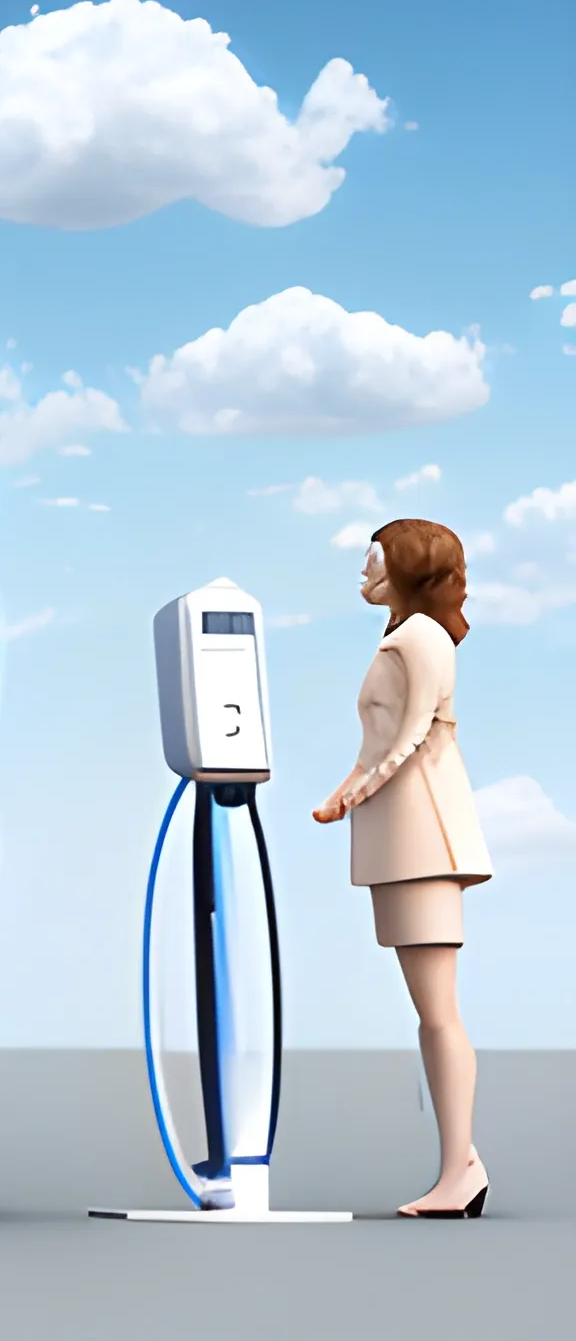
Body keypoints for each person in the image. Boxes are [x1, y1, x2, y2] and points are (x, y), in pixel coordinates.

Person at [313, 519, 494, 1218]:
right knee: (432, 1013)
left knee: (437, 1014)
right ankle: (461, 1164)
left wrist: (351, 796)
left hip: (423, 833)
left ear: (408, 568)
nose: (365, 574)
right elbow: (382, 743)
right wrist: (342, 795)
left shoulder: (419, 637)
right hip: (404, 832)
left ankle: (461, 1170)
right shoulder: (408, 635)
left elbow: (410, 736)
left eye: (376, 561)